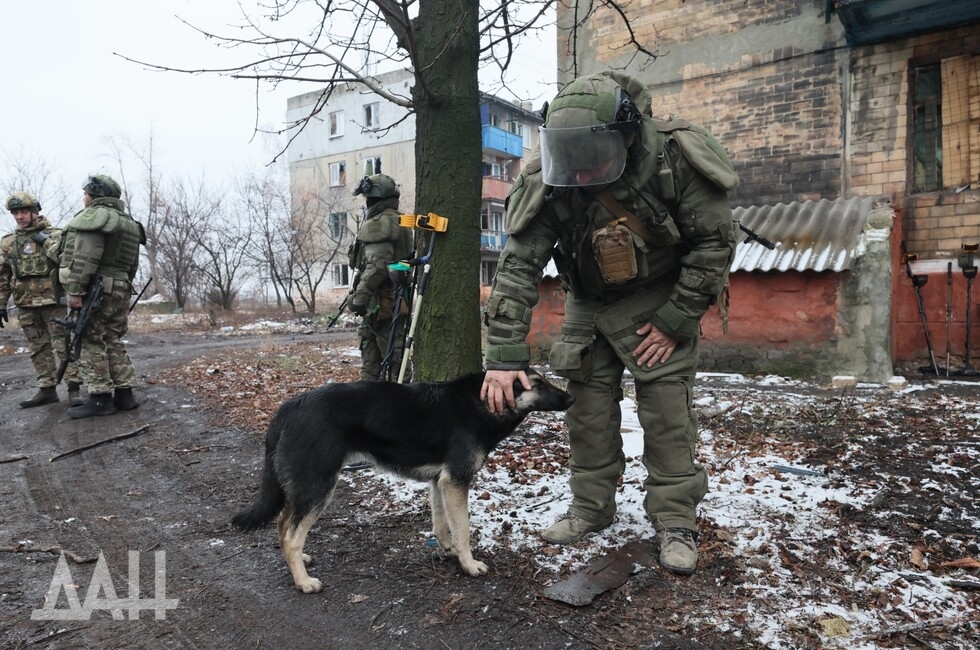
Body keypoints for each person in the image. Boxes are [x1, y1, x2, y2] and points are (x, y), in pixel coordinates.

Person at [480, 72, 739, 576]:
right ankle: (591, 508)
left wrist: (674, 320)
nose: (578, 173)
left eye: (589, 157)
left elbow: (714, 245)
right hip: (588, 304)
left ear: (624, 133)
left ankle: (675, 520)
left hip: (658, 303)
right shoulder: (550, 174)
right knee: (587, 413)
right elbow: (518, 266)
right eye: (568, 158)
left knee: (666, 416)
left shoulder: (675, 157)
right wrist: (503, 357)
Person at [59, 175, 144, 418]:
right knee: (113, 338)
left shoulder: (96, 217)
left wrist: (75, 291)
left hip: (98, 288)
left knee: (90, 339)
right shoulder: (129, 223)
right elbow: (132, 265)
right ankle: (124, 394)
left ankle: (99, 398)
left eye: (85, 193)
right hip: (120, 286)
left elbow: (86, 258)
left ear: (94, 194)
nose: (83, 197)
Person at [0, 192, 83, 408]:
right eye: (16, 213)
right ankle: (46, 389)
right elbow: (4, 276)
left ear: (35, 212)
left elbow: (69, 265)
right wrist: (1, 304)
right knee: (38, 348)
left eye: (24, 211)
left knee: (64, 345)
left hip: (53, 302)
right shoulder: (9, 243)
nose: (20, 217)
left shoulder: (54, 235)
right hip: (26, 304)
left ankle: (74, 388)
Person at [348, 173, 414, 381]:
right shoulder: (399, 219)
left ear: (373, 198)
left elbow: (377, 267)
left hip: (383, 304)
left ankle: (398, 410)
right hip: (390, 302)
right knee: (384, 362)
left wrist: (359, 299)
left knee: (392, 366)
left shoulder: (379, 223)